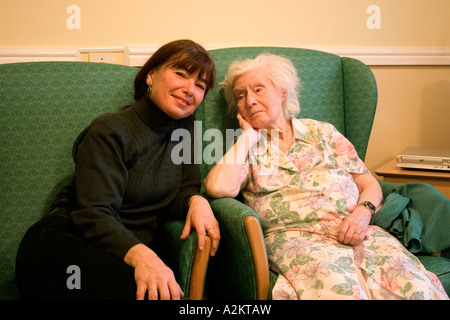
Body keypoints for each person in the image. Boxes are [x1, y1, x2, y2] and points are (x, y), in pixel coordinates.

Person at [204, 53, 448, 300]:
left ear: (282, 92)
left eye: (258, 90)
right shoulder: (247, 149)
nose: (250, 101)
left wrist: (363, 213)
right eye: (241, 96)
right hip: (298, 242)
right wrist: (247, 137)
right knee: (340, 291)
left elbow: (369, 184)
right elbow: (216, 188)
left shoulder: (323, 133)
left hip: (358, 231)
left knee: (415, 286)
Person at [16, 39, 220, 300]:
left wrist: (197, 200)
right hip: (66, 242)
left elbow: (185, 188)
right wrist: (144, 256)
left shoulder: (186, 129)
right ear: (151, 75)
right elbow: (93, 214)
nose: (190, 89)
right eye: (180, 74)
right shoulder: (110, 130)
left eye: (200, 86)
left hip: (122, 250)